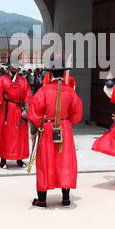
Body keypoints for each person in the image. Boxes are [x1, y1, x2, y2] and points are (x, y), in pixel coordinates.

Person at [27, 65, 83, 208]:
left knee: (44, 161)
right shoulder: (70, 91)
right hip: (64, 128)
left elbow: (35, 111)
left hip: (47, 128)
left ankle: (42, 199)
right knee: (64, 161)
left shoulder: (43, 91)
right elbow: (76, 113)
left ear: (50, 73)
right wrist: (66, 120)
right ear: (63, 74)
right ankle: (65, 198)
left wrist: (35, 129)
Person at [0, 64, 32, 169]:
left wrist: (26, 110)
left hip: (19, 110)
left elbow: (27, 96)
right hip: (6, 110)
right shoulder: (2, 79)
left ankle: (19, 159)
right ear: (9, 66)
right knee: (5, 134)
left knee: (19, 135)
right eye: (12, 65)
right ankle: (3, 159)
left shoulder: (23, 80)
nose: (14, 68)